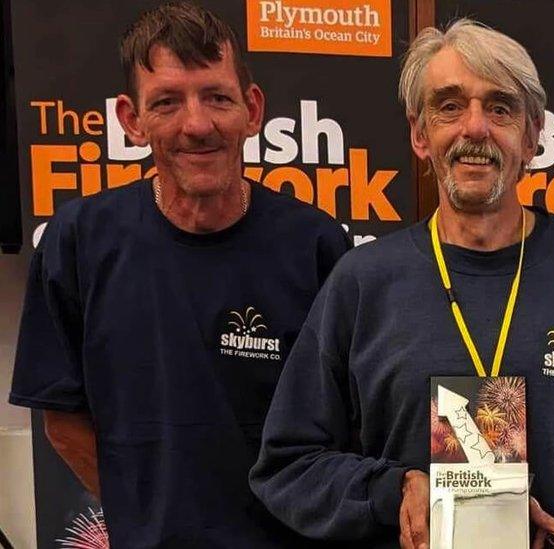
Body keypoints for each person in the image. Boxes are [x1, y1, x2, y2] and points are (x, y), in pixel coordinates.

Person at [249, 19, 554, 549]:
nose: (475, 129)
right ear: (420, 135)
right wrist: (391, 490)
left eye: (500, 108)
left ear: (533, 136)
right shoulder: (362, 280)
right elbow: (288, 465)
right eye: (449, 106)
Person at [8, 2, 349, 546]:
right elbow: (62, 421)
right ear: (131, 119)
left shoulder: (317, 245)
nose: (197, 124)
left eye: (217, 96)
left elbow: (344, 429)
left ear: (252, 109)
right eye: (166, 102)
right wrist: (144, 515)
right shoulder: (77, 241)